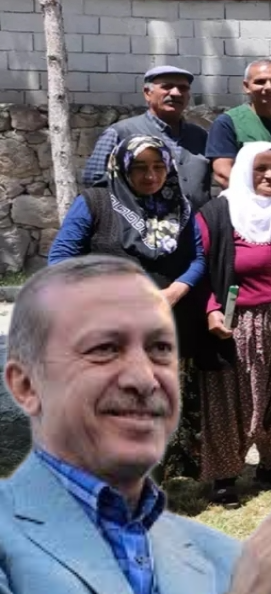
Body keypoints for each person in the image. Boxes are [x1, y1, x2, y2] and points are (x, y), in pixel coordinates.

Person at [0, 255, 271, 594]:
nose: (145, 378)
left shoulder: (220, 556)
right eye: (103, 349)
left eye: (159, 349)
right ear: (26, 385)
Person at [49, 135, 207, 479]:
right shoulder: (95, 202)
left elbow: (197, 258)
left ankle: (157, 478)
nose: (151, 176)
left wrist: (176, 290)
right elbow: (60, 260)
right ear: (121, 167)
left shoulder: (181, 206)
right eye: (139, 167)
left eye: (158, 166)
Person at [194, 142, 271, 507]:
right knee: (232, 399)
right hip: (237, 322)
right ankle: (224, 476)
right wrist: (211, 310)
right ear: (243, 170)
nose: (269, 175)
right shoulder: (218, 213)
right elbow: (198, 268)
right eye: (260, 168)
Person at [82, 65, 213, 210]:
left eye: (183, 88)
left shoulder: (201, 136)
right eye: (167, 86)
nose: (176, 93)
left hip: (196, 223)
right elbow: (94, 181)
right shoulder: (120, 133)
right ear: (147, 93)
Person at [206, 59, 271, 197]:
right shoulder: (228, 123)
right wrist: (257, 203)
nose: (269, 87)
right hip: (248, 207)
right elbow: (223, 174)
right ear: (246, 86)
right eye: (260, 82)